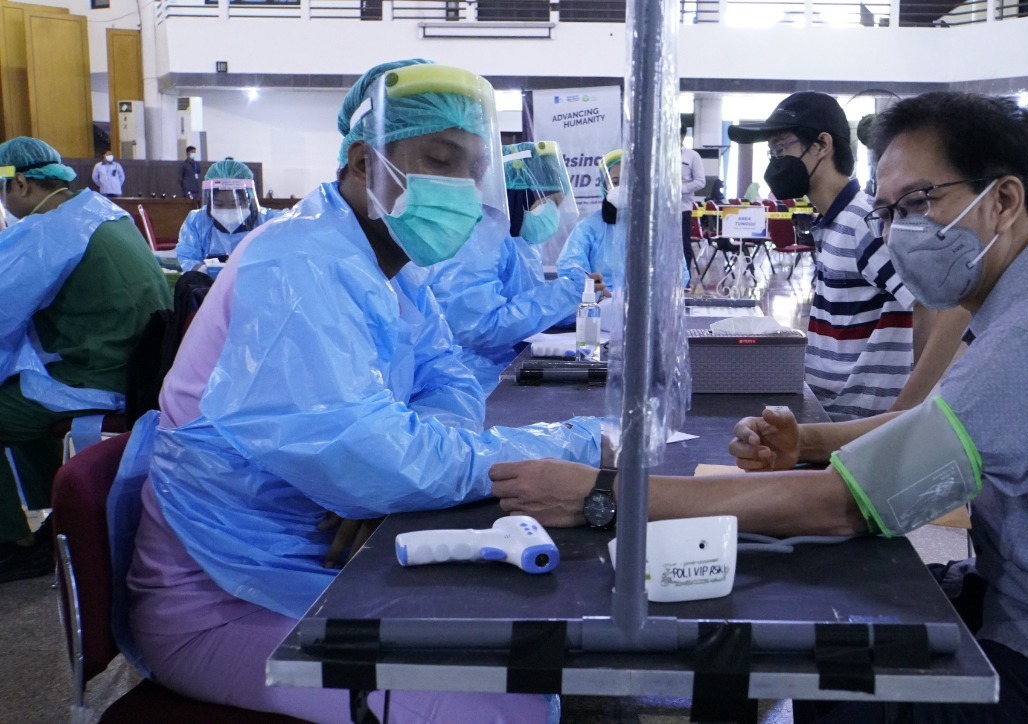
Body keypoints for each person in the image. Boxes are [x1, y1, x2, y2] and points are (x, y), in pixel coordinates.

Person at [491, 91, 1028, 723]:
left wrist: (606, 497)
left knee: (842, 684)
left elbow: (839, 508)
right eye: (890, 211)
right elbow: (939, 429)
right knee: (816, 632)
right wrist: (812, 440)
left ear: (1004, 201)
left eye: (920, 203)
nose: (898, 234)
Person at [115, 60, 600, 722]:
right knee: (502, 707)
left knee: (523, 660)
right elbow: (370, 453)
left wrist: (387, 480)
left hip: (324, 562)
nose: (459, 187)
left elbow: (446, 378)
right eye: (438, 158)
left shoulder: (393, 266)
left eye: (471, 168)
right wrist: (564, 447)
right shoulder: (299, 263)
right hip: (223, 596)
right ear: (362, 161)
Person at [727, 91, 970, 419]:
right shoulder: (832, 222)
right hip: (828, 409)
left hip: (857, 420)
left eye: (781, 147)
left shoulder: (865, 222)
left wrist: (910, 407)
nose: (775, 161)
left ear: (822, 146)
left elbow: (937, 305)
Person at [0, 137, 169, 583]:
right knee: (18, 393)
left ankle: (13, 542)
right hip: (131, 366)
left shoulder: (49, 230)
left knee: (6, 404)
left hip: (95, 373)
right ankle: (51, 517)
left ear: (19, 183)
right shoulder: (101, 211)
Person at [422, 141, 596, 394]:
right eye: (551, 203)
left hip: (504, 361)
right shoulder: (475, 239)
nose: (554, 214)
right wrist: (569, 292)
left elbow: (525, 303)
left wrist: (577, 301)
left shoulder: (519, 240)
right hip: (469, 375)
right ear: (523, 193)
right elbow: (479, 329)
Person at [557, 149, 690, 295]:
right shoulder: (588, 228)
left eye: (629, 181)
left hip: (646, 309)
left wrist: (656, 297)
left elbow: (678, 273)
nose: (623, 188)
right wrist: (593, 292)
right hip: (601, 307)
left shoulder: (657, 229)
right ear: (604, 187)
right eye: (615, 182)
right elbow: (571, 268)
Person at [174, 159, 285, 273]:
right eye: (219, 204)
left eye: (235, 204)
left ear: (248, 199)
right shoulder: (197, 221)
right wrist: (201, 270)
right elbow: (187, 258)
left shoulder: (272, 221)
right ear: (210, 201)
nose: (228, 210)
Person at [680, 129, 706, 282]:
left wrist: (681, 189)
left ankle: (686, 280)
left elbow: (700, 181)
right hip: (662, 209)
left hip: (682, 207)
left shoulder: (692, 156)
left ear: (682, 136)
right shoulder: (660, 155)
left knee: (684, 243)